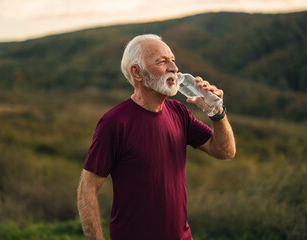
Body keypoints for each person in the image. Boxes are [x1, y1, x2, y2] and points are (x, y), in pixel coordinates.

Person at [77, 34, 236, 240]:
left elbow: (225, 151)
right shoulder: (114, 123)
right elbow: (86, 189)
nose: (174, 68)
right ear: (137, 73)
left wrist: (217, 113)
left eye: (173, 60)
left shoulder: (178, 112)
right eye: (162, 62)